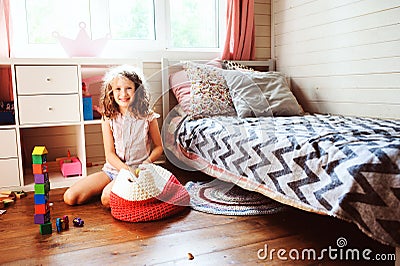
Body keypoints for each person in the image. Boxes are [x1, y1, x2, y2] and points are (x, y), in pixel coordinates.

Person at [63, 65, 163, 207]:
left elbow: (159, 147)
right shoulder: (108, 118)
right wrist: (124, 170)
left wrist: (147, 162)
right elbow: (110, 154)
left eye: (128, 88)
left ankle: (118, 189)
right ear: (111, 91)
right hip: (112, 171)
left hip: (138, 171)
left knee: (106, 199)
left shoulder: (148, 116)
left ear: (137, 90)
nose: (123, 93)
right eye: (118, 89)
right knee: (70, 197)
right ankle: (114, 187)